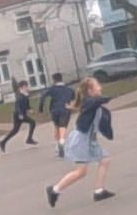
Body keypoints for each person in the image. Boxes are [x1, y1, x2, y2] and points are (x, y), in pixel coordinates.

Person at [47, 77, 115, 207]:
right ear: (90, 91)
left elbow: (101, 117)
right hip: (81, 141)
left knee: (105, 160)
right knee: (81, 172)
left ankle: (99, 191)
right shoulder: (90, 102)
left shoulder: (95, 104)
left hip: (90, 140)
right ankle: (54, 190)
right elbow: (95, 101)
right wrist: (109, 97)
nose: (100, 87)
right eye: (97, 85)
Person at [38, 73, 76, 157]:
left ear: (54, 80)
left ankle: (58, 146)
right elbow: (73, 100)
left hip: (55, 110)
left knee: (57, 127)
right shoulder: (69, 89)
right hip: (65, 111)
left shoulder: (52, 89)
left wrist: (40, 110)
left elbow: (43, 97)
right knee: (63, 128)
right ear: (61, 78)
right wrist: (71, 107)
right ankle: (61, 144)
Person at [0, 80, 38, 152]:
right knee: (32, 122)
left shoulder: (25, 95)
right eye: (26, 86)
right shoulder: (19, 96)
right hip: (18, 115)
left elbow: (27, 105)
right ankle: (29, 139)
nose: (27, 88)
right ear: (22, 87)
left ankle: (3, 142)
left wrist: (30, 109)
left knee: (15, 130)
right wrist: (20, 114)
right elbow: (17, 106)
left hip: (21, 115)